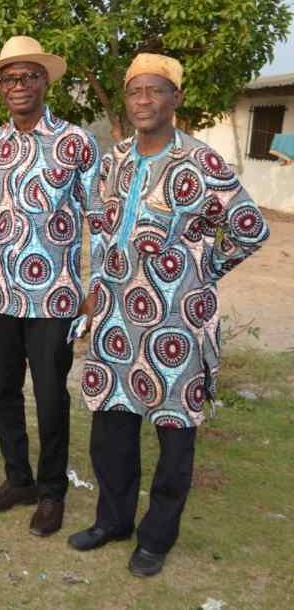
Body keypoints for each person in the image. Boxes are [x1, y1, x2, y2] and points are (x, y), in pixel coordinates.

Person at [68, 54, 269, 577]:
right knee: (111, 426)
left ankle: (156, 538)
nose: (142, 101)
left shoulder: (202, 163)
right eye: (134, 91)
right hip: (115, 320)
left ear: (175, 98)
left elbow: (250, 228)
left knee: (174, 431)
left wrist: (200, 271)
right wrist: (95, 288)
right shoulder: (112, 160)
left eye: (155, 91)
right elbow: (99, 224)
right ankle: (113, 521)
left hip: (177, 323)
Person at [0, 36, 104, 537]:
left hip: (56, 297)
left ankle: (51, 492)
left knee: (49, 396)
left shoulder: (77, 143)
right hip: (1, 294)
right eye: (9, 79)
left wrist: (97, 288)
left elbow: (100, 220)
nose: (19, 86)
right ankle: (17, 480)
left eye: (28, 77)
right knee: (1, 390)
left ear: (46, 81)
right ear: (0, 89)